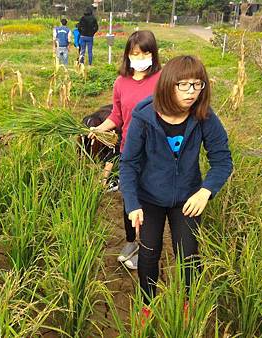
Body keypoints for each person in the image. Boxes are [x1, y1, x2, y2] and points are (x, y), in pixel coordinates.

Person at [119, 56, 233, 312]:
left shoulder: (204, 117)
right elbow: (128, 163)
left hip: (188, 198)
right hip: (149, 197)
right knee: (149, 252)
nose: (191, 92)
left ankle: (188, 304)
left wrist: (206, 190)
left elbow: (222, 160)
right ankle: (147, 305)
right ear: (168, 85)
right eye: (183, 84)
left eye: (197, 84)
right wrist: (132, 203)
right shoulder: (144, 116)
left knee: (189, 254)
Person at [89, 30, 162, 269]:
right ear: (128, 55)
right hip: (129, 150)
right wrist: (99, 129)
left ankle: (146, 248)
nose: (140, 58)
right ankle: (131, 242)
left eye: (145, 53)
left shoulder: (162, 80)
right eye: (135, 53)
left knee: (149, 201)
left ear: (153, 54)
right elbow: (117, 116)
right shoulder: (121, 82)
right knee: (129, 199)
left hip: (155, 151)